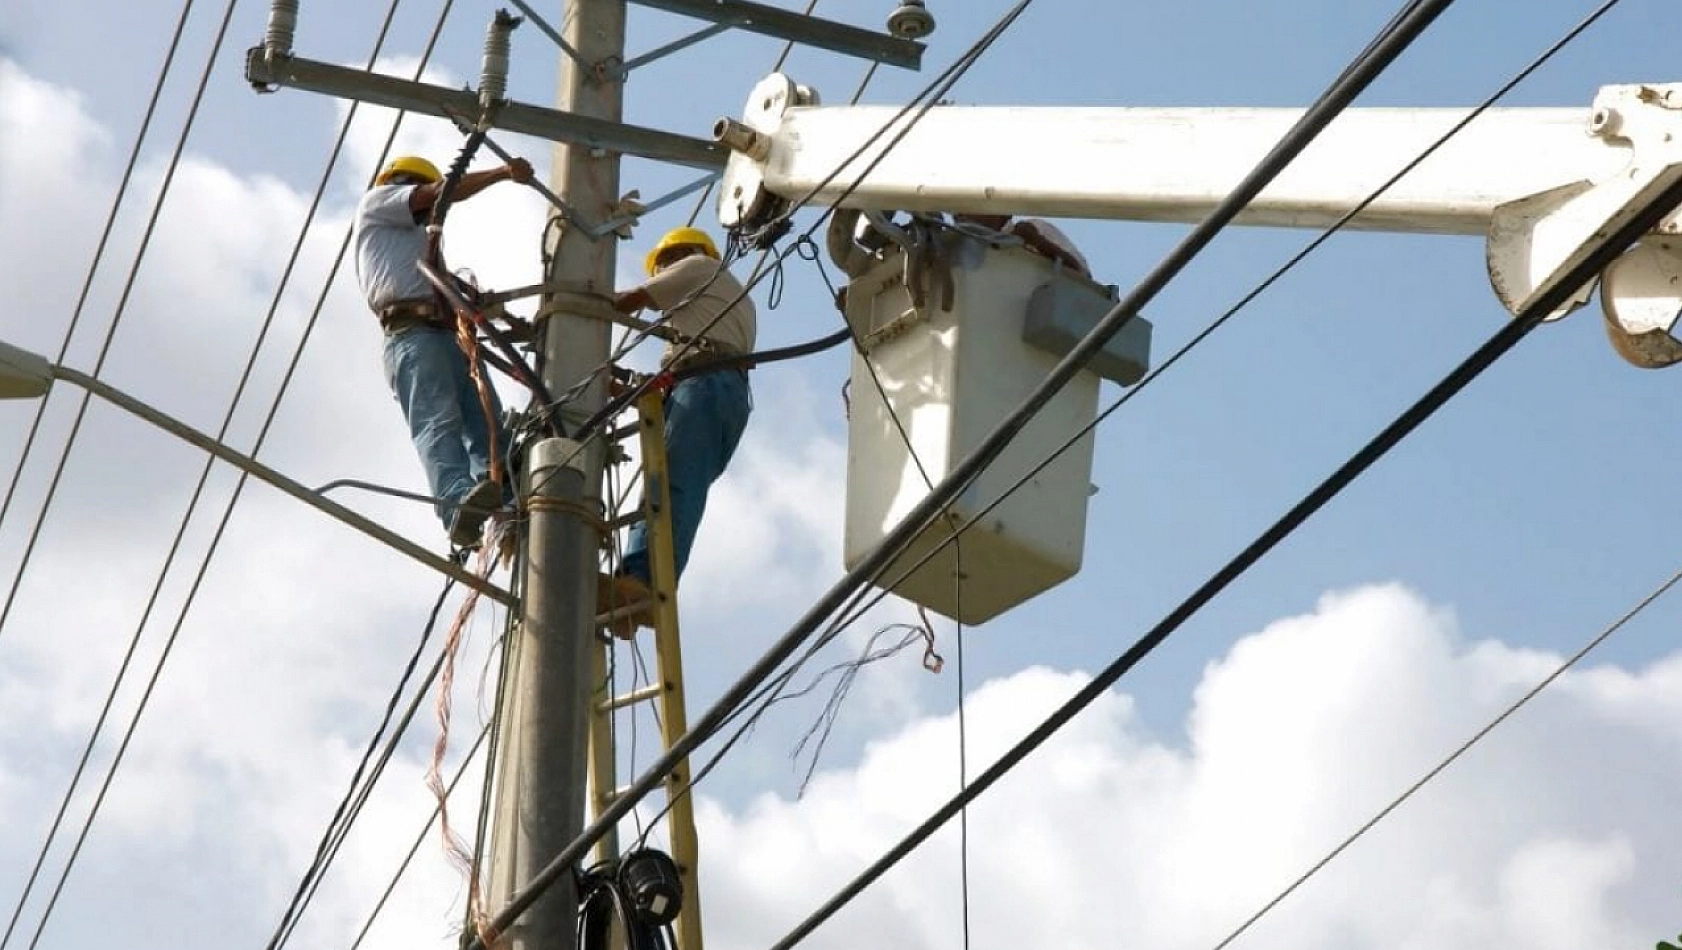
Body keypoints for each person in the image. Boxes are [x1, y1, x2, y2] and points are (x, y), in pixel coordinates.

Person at [353, 153, 533, 548]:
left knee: (488, 425)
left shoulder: (418, 243)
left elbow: (452, 288)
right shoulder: (378, 202)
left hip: (448, 336)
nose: (431, 208)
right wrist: (502, 173)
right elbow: (439, 192)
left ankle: (503, 495)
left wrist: (513, 321)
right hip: (411, 335)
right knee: (439, 422)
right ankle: (456, 505)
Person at [601, 226, 755, 633]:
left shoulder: (698, 266)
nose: (662, 272)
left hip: (703, 386)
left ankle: (643, 581)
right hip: (719, 392)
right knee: (670, 483)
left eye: (663, 264)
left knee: (669, 484)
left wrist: (575, 310)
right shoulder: (724, 305)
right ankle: (639, 584)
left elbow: (629, 302)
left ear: (684, 255)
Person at [953, 212, 1091, 277]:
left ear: (1005, 213)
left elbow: (1083, 276)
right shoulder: (950, 244)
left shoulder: (1036, 229)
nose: (959, 213)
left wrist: (1039, 242)